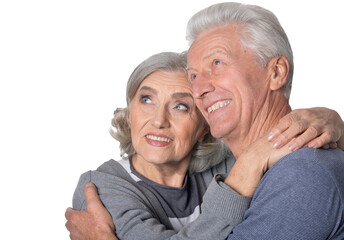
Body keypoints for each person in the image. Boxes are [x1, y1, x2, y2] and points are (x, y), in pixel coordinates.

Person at [65, 3, 344, 239]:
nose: (200, 89)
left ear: (276, 72)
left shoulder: (298, 176)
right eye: (195, 75)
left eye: (217, 63)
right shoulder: (102, 185)